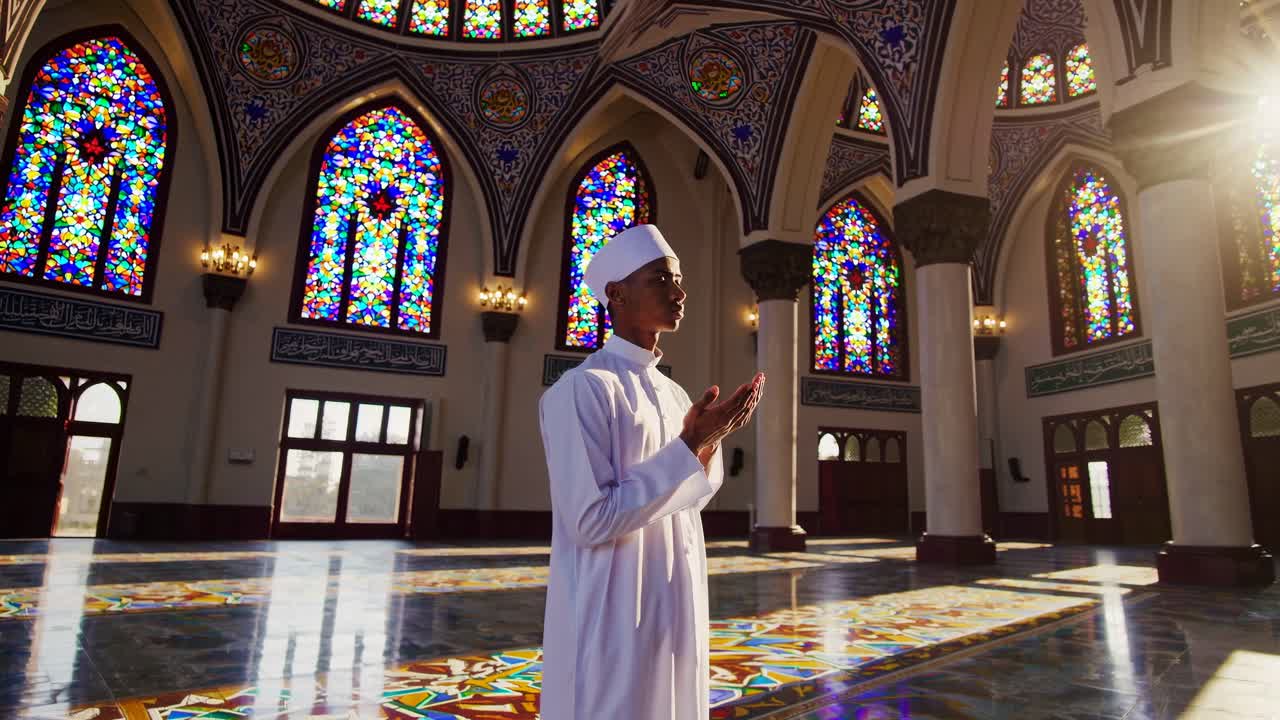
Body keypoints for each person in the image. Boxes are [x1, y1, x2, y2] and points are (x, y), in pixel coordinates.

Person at [537, 224, 765, 719]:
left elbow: (692, 498)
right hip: (610, 603)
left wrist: (709, 441)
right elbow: (590, 520)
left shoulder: (674, 393)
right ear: (615, 295)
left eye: (678, 279)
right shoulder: (583, 390)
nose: (679, 291)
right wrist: (692, 442)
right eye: (661, 279)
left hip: (675, 589)